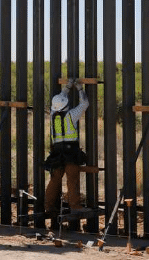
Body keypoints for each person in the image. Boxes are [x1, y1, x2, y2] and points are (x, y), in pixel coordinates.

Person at [43, 78, 90, 229]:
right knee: (72, 180)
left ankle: (49, 206)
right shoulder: (71, 115)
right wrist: (80, 89)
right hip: (70, 153)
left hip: (57, 154)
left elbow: (59, 101)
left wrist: (67, 87)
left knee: (55, 181)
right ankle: (75, 206)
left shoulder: (52, 115)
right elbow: (84, 104)